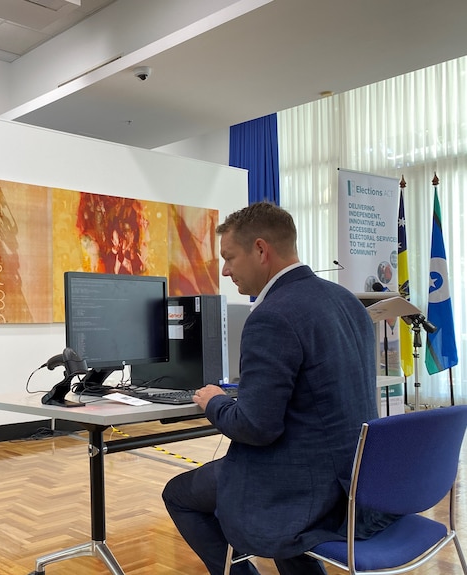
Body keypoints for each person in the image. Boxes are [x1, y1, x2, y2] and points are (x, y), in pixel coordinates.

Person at [162, 202, 381, 575]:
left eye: (229, 258)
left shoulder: (272, 316)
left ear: (261, 250)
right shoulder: (346, 300)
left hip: (300, 486)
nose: (226, 270)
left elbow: (256, 428)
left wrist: (214, 402)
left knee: (179, 494)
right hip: (356, 480)